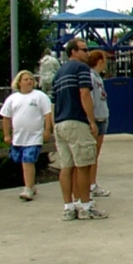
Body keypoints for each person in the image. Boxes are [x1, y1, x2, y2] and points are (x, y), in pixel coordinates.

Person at [52, 39, 107, 220]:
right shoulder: (82, 69)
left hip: (60, 123)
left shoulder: (58, 73)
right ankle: (86, 205)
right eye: (84, 50)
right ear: (73, 52)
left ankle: (69, 206)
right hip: (77, 120)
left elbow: (54, 101)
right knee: (84, 165)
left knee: (66, 166)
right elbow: (84, 94)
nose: (87, 53)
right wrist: (91, 121)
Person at [0, 70, 53, 200]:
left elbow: (47, 114)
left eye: (31, 79)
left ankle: (28, 188)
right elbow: (6, 117)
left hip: (34, 136)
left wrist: (47, 130)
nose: (29, 81)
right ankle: (31, 184)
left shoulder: (39, 96)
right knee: (21, 161)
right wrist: (7, 134)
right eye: (26, 79)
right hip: (19, 137)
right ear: (19, 82)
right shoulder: (12, 99)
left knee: (27, 160)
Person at [87, 50, 111, 198]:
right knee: (92, 155)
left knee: (95, 154)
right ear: (100, 61)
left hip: (102, 116)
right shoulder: (90, 77)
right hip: (96, 117)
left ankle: (92, 182)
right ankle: (91, 184)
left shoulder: (98, 78)